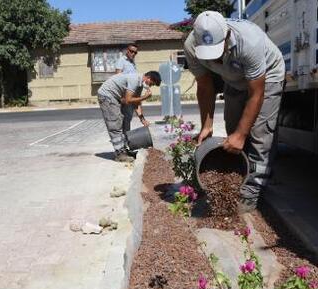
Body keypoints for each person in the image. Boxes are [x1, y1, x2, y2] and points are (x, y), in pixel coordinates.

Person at [184, 11, 285, 212]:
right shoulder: (191, 46)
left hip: (268, 77)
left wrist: (241, 134)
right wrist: (207, 125)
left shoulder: (249, 41)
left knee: (257, 133)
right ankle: (241, 173)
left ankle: (252, 190)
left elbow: (256, 94)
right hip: (233, 78)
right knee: (233, 129)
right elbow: (205, 87)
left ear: (227, 35)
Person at [97, 71, 162, 162]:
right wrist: (145, 97)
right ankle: (120, 154)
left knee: (125, 120)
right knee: (115, 123)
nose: (150, 86)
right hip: (107, 96)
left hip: (115, 97)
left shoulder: (139, 85)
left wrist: (142, 119)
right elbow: (128, 100)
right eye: (152, 84)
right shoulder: (135, 80)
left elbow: (136, 102)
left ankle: (125, 150)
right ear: (149, 78)